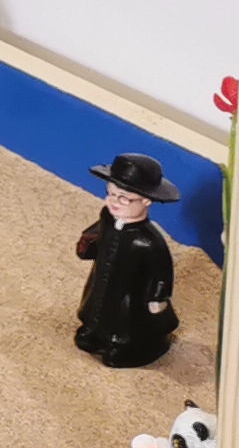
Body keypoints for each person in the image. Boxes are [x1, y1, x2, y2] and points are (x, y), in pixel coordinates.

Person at [75, 154, 184, 367]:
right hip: (102, 282)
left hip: (130, 294)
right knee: (96, 305)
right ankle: (94, 331)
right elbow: (98, 232)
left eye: (124, 198)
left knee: (125, 320)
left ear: (146, 201)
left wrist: (158, 297)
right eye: (111, 194)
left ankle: (122, 344)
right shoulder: (107, 219)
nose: (114, 202)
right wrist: (88, 243)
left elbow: (162, 271)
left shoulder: (148, 242)